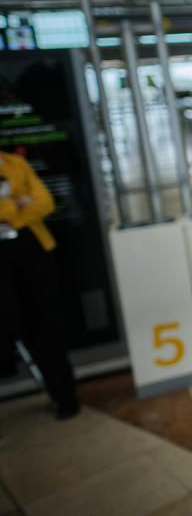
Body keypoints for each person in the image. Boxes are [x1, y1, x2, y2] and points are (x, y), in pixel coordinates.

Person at [0, 149, 80, 420]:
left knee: (46, 325)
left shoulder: (16, 164)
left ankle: (65, 395)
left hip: (32, 251)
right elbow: (19, 206)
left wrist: (11, 211)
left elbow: (44, 203)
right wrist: (17, 203)